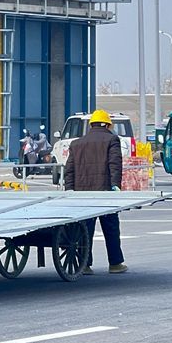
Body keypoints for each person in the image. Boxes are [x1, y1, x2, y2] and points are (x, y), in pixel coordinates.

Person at [63, 108, 128, 275]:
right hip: (105, 193)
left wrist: (69, 189)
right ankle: (115, 263)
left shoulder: (76, 144)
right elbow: (115, 164)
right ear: (107, 125)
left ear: (91, 125)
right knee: (111, 228)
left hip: (82, 195)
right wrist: (115, 185)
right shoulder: (112, 139)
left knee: (85, 230)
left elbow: (69, 170)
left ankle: (84, 264)